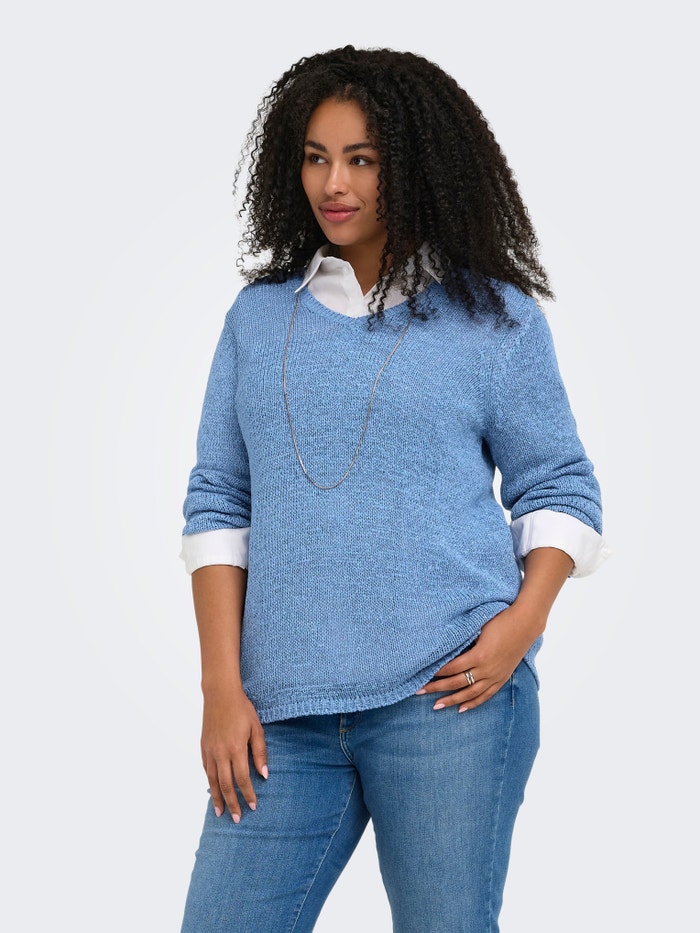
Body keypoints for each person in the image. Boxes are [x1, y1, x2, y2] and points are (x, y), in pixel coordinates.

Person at [178, 46, 608, 933]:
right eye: (315, 157)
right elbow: (219, 500)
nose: (333, 183)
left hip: (448, 698)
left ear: (414, 166)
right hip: (281, 713)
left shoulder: (492, 318)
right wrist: (222, 685)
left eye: (362, 159)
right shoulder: (259, 318)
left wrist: (521, 625)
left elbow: (560, 486)